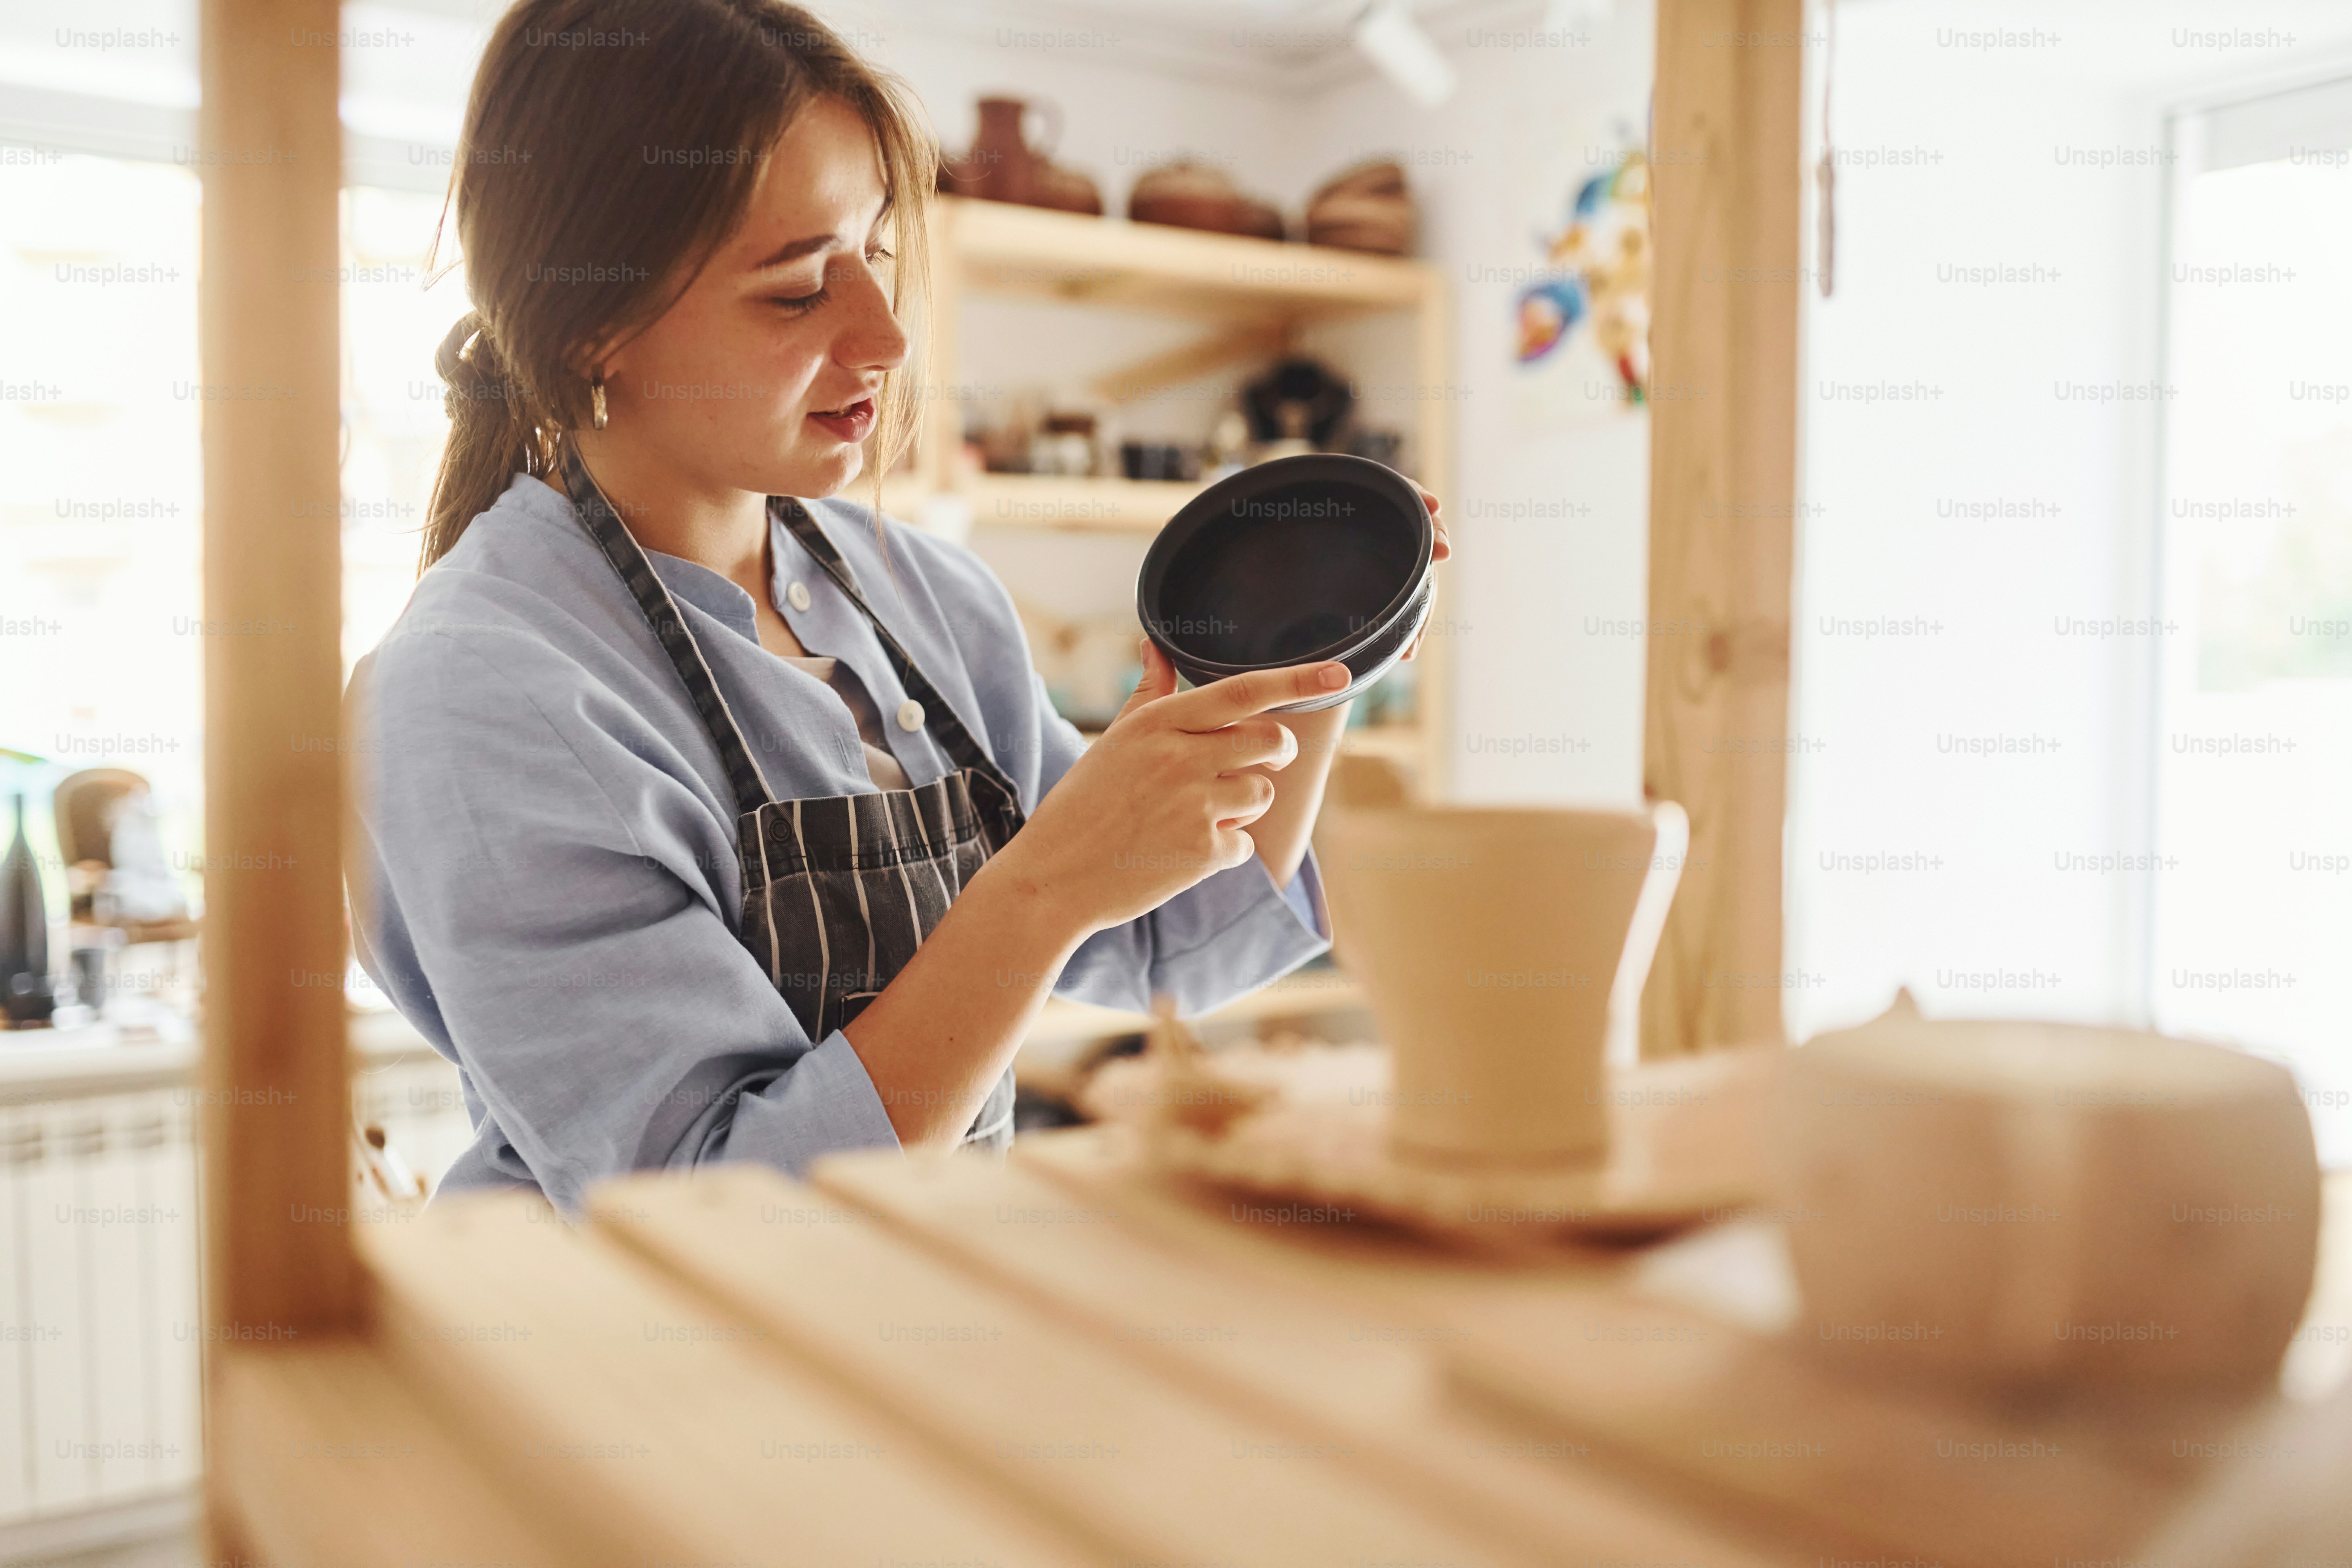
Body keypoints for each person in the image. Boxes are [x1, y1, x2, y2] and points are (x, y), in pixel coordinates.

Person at [348, 0, 1449, 1213]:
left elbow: (1170, 947)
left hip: (901, 1301)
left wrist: (1329, 643)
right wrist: (1042, 890)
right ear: (593, 324)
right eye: (793, 292)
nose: (883, 338)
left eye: (874, 254)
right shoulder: (483, 695)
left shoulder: (923, 599)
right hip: (644, 1364)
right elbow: (709, 1209)